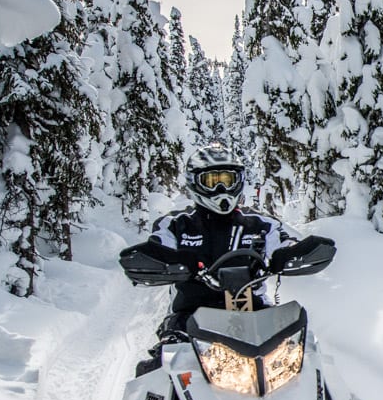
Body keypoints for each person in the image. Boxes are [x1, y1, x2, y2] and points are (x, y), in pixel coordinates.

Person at [122, 143, 331, 374]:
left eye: (227, 180)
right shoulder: (175, 225)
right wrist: (174, 262)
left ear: (239, 181)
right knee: (159, 369)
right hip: (190, 319)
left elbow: (287, 243)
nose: (221, 188)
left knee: (307, 357)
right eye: (212, 181)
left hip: (257, 318)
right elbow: (157, 249)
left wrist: (286, 257)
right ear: (195, 183)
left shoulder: (262, 224)